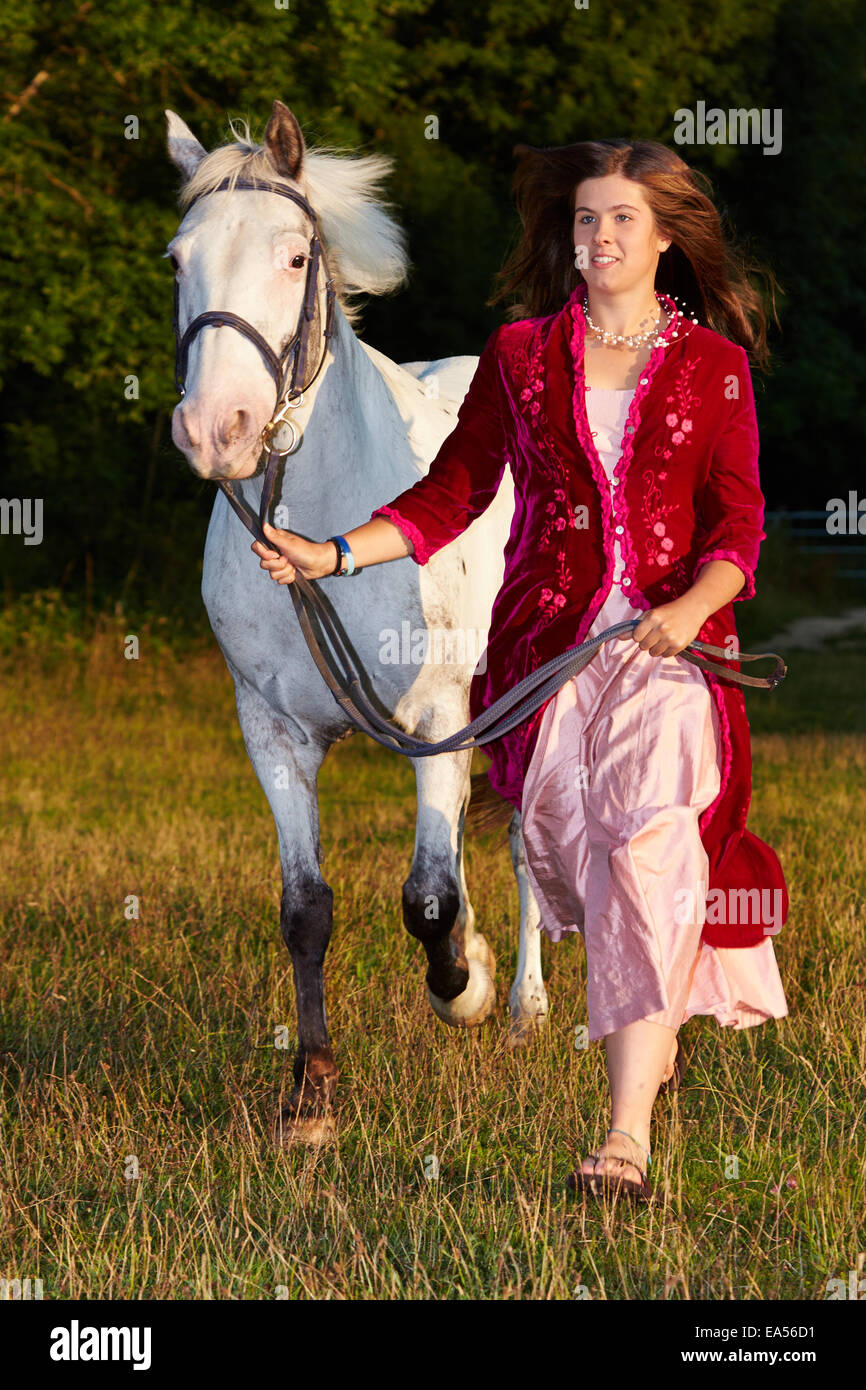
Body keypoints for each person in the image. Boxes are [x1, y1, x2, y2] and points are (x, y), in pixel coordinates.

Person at [251, 138, 789, 1202]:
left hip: (673, 659)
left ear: (666, 235)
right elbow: (449, 493)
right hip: (548, 658)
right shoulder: (519, 356)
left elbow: (739, 525)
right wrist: (333, 551)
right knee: (583, 864)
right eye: (583, 219)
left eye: (620, 220)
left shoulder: (712, 366)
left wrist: (686, 608)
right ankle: (652, 1032)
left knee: (645, 848)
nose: (597, 237)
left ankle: (622, 1138)